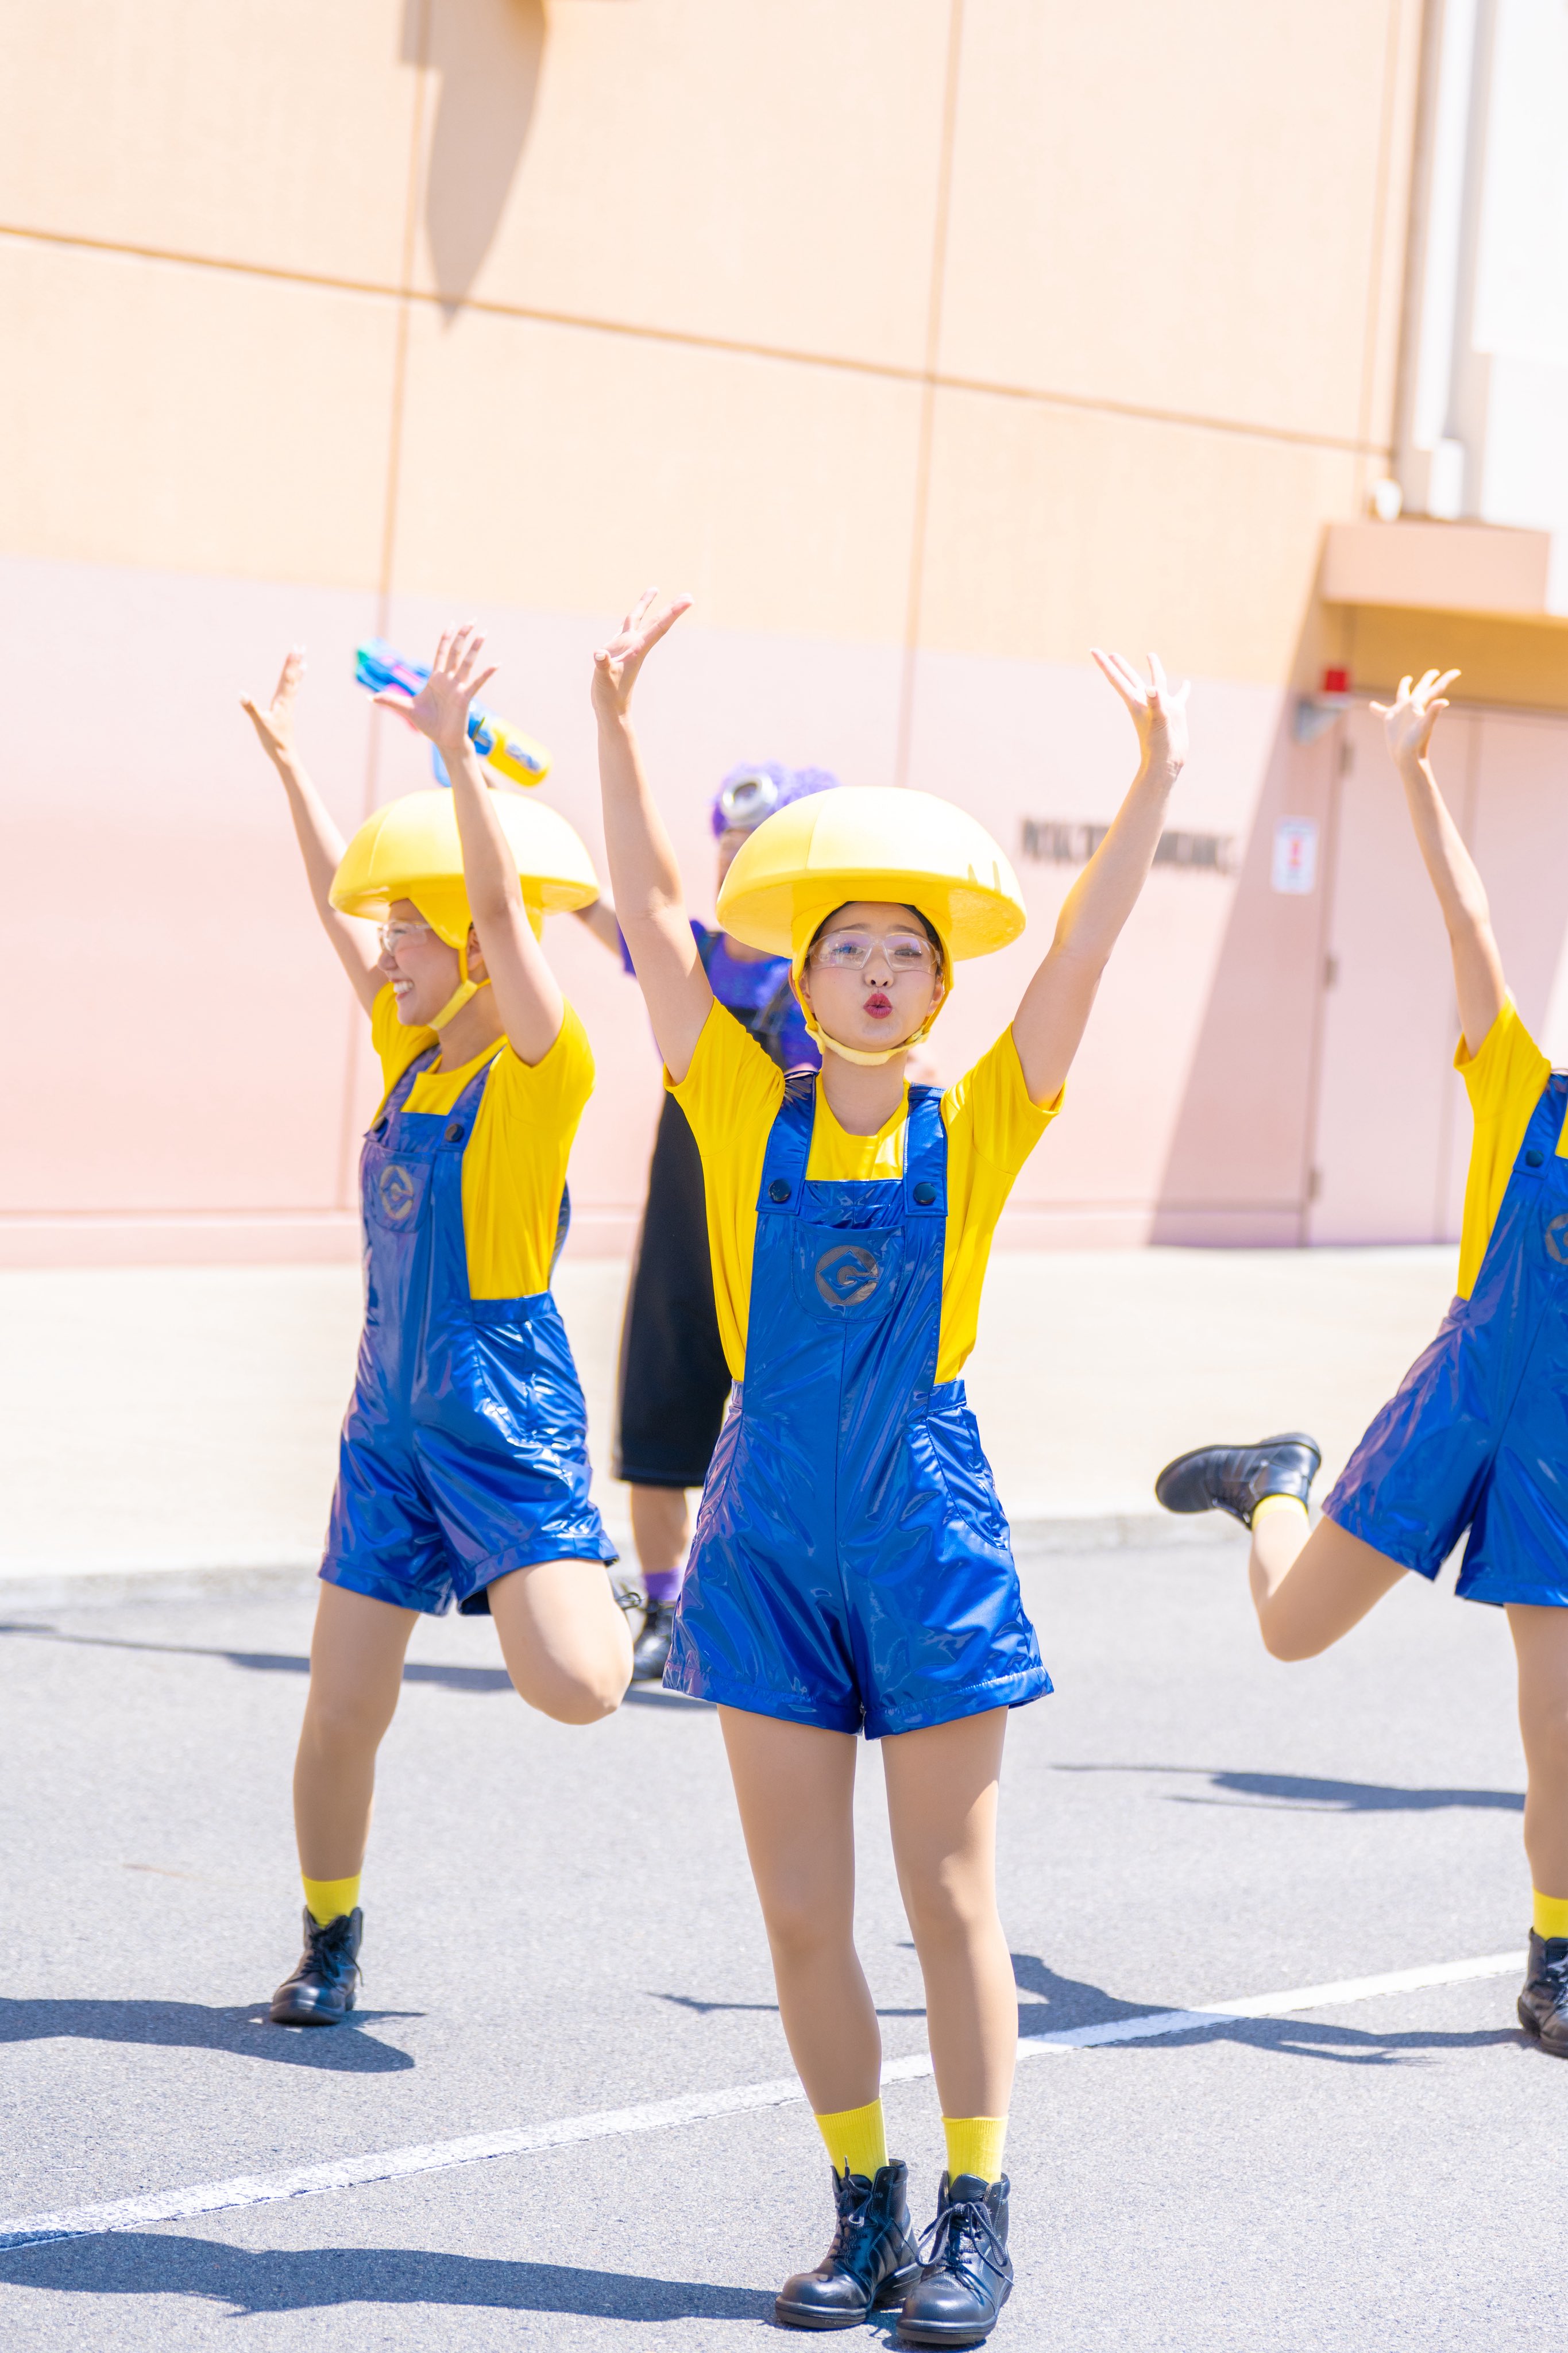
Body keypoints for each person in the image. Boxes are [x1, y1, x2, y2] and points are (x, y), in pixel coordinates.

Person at [593, 587, 1190, 2344]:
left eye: (907, 953)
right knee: (798, 1915)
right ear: (801, 971)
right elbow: (638, 909)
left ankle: (981, 2216)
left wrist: (1154, 773)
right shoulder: (725, 1098)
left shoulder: (982, 1117)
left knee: (950, 1898)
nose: (873, 970)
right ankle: (866, 2208)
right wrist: (617, 727)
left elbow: (1083, 952)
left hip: (925, 1525)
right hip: (765, 1526)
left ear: (939, 985)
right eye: (847, 945)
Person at [1154, 668, 1568, 2063]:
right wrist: (1412, 767)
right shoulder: (1522, 1082)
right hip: (1460, 1399)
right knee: (1292, 1629)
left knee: (1556, 1710)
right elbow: (1473, 918)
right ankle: (1274, 1484)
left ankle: (1553, 1955)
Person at [242, 628, 630, 2028]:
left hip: (503, 1406)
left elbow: (504, 912)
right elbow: (330, 902)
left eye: (415, 933)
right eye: (394, 935)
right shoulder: (410, 1051)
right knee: (339, 1706)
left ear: (473, 944)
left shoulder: (542, 1059)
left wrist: (461, 755)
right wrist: (289, 759)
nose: (388, 954)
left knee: (581, 1688)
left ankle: (606, 1586)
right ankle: (331, 1937)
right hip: (386, 1423)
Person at [573, 764, 832, 1680]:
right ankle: (664, 1611)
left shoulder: (832, 968)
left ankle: (786, 1616)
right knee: (659, 1418)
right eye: (725, 843)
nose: (733, 858)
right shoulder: (696, 958)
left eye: (754, 844)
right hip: (685, 1217)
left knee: (794, 1431)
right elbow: (607, 909)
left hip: (788, 1231)